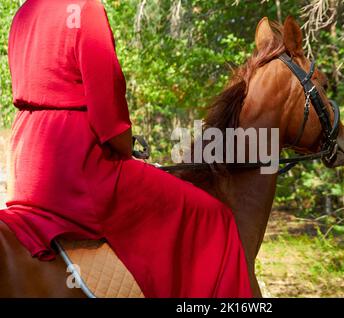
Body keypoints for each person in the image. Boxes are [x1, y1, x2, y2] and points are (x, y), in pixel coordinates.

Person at [0, 0, 252, 298]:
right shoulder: (84, 8)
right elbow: (107, 104)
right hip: (79, 166)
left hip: (27, 165)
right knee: (212, 216)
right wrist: (124, 146)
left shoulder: (25, 13)